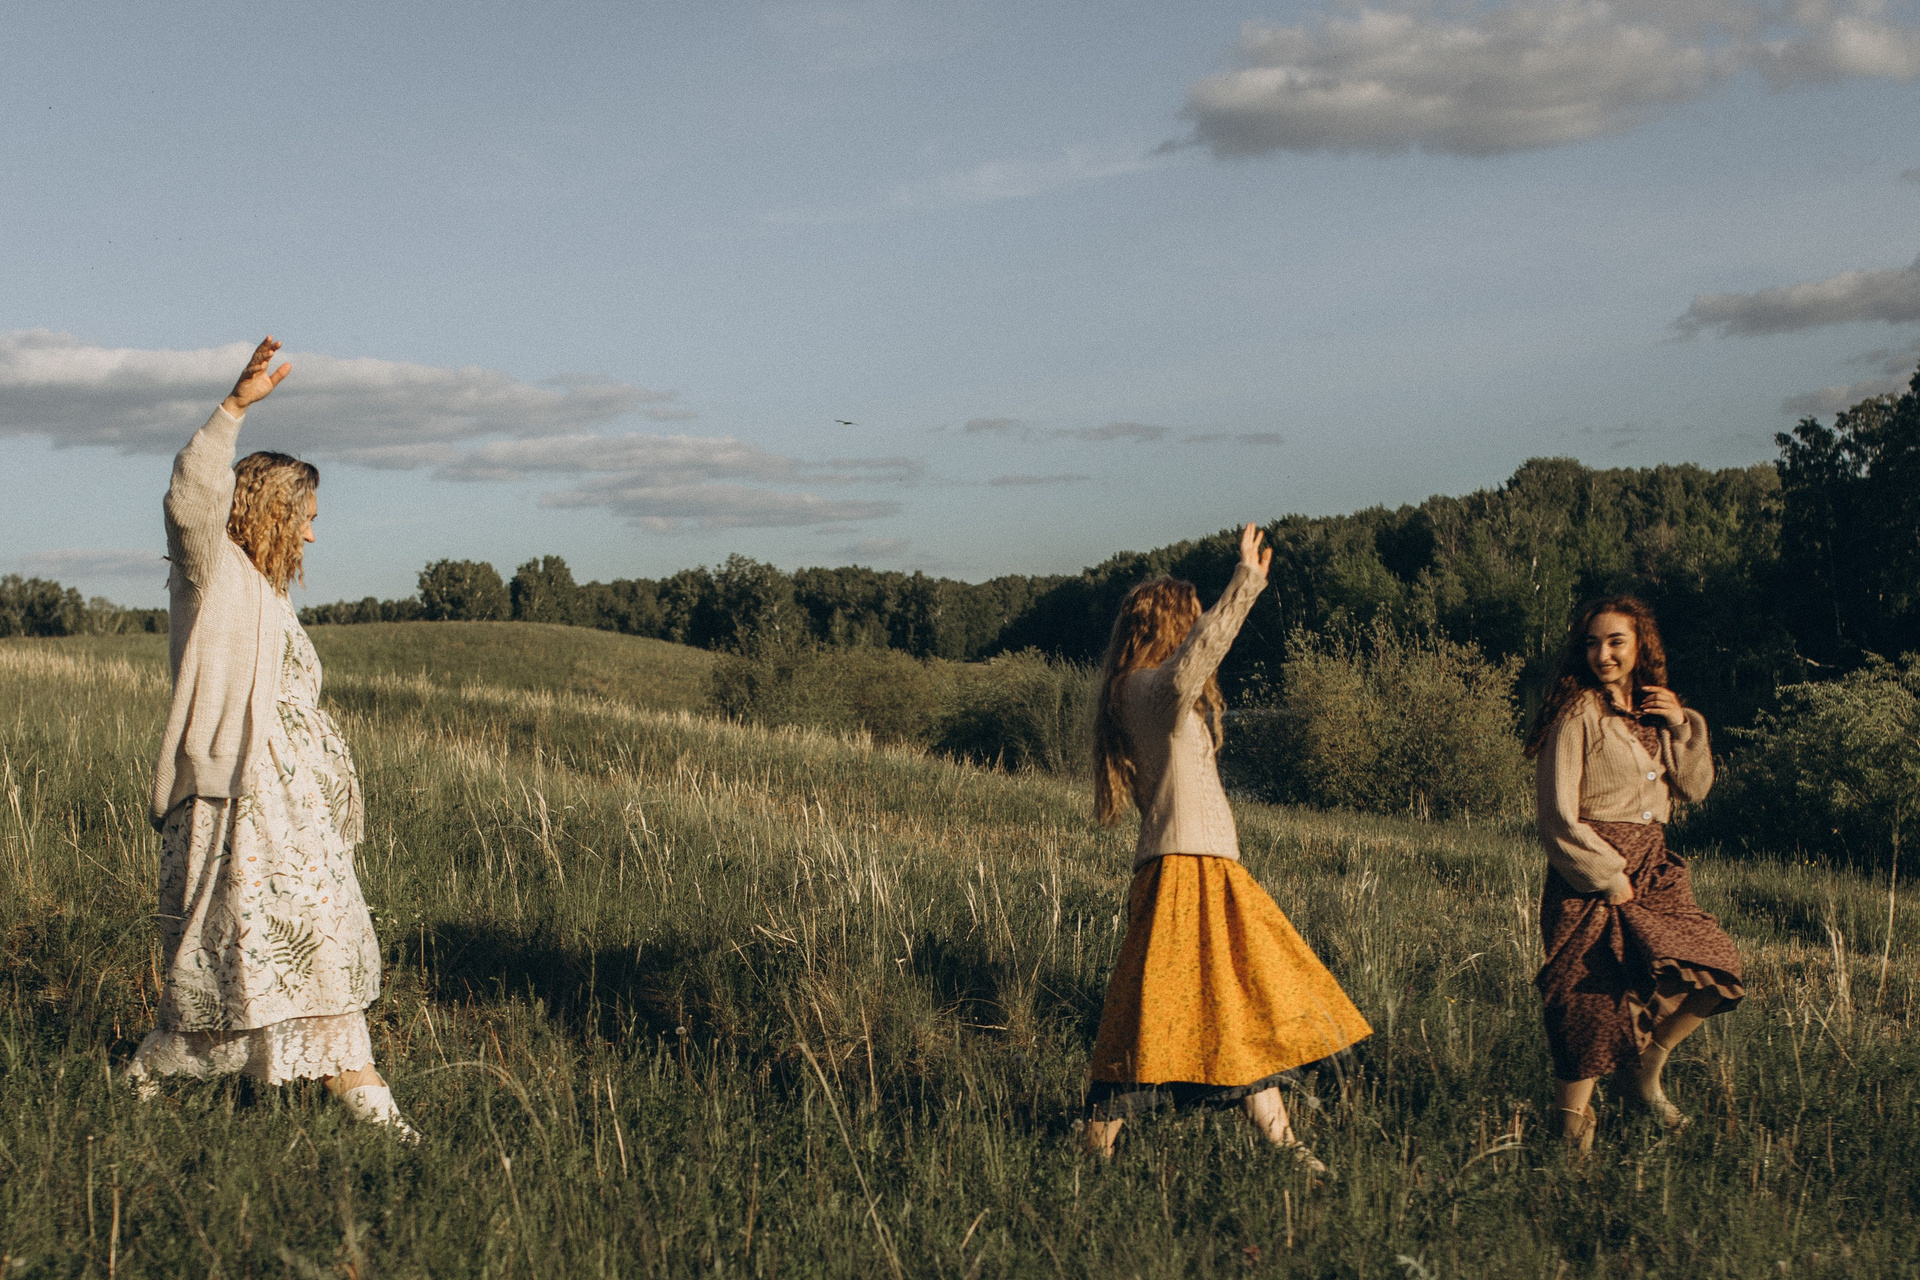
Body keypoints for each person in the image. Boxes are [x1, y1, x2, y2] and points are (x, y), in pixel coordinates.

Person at [127, 336, 417, 1140]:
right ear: (273, 512)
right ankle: (152, 1080)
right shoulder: (212, 572)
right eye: (308, 520)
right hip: (240, 801)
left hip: (292, 813)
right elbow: (191, 497)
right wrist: (233, 408)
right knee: (243, 956)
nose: (313, 538)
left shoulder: (269, 596)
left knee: (310, 952)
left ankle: (366, 1107)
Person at [1081, 523, 1372, 1168]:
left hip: (1207, 868)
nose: (1194, 632)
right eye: (1187, 622)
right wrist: (1245, 585)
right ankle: (1093, 1148)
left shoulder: (1153, 696)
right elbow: (1194, 662)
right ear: (1168, 626)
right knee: (1154, 1017)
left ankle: (1285, 1146)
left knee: (1236, 1007)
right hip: (1183, 872)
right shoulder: (1148, 691)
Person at [1526, 596, 1743, 1152]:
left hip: (1655, 867)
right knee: (1587, 1000)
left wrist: (1682, 724)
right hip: (1591, 871)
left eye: (1615, 641)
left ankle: (1643, 1074)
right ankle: (1569, 1132)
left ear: (1640, 643)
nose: (1603, 654)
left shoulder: (1652, 709)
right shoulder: (1577, 711)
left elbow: (1694, 788)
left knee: (1716, 965)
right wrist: (1607, 876)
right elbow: (1555, 815)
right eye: (1592, 643)